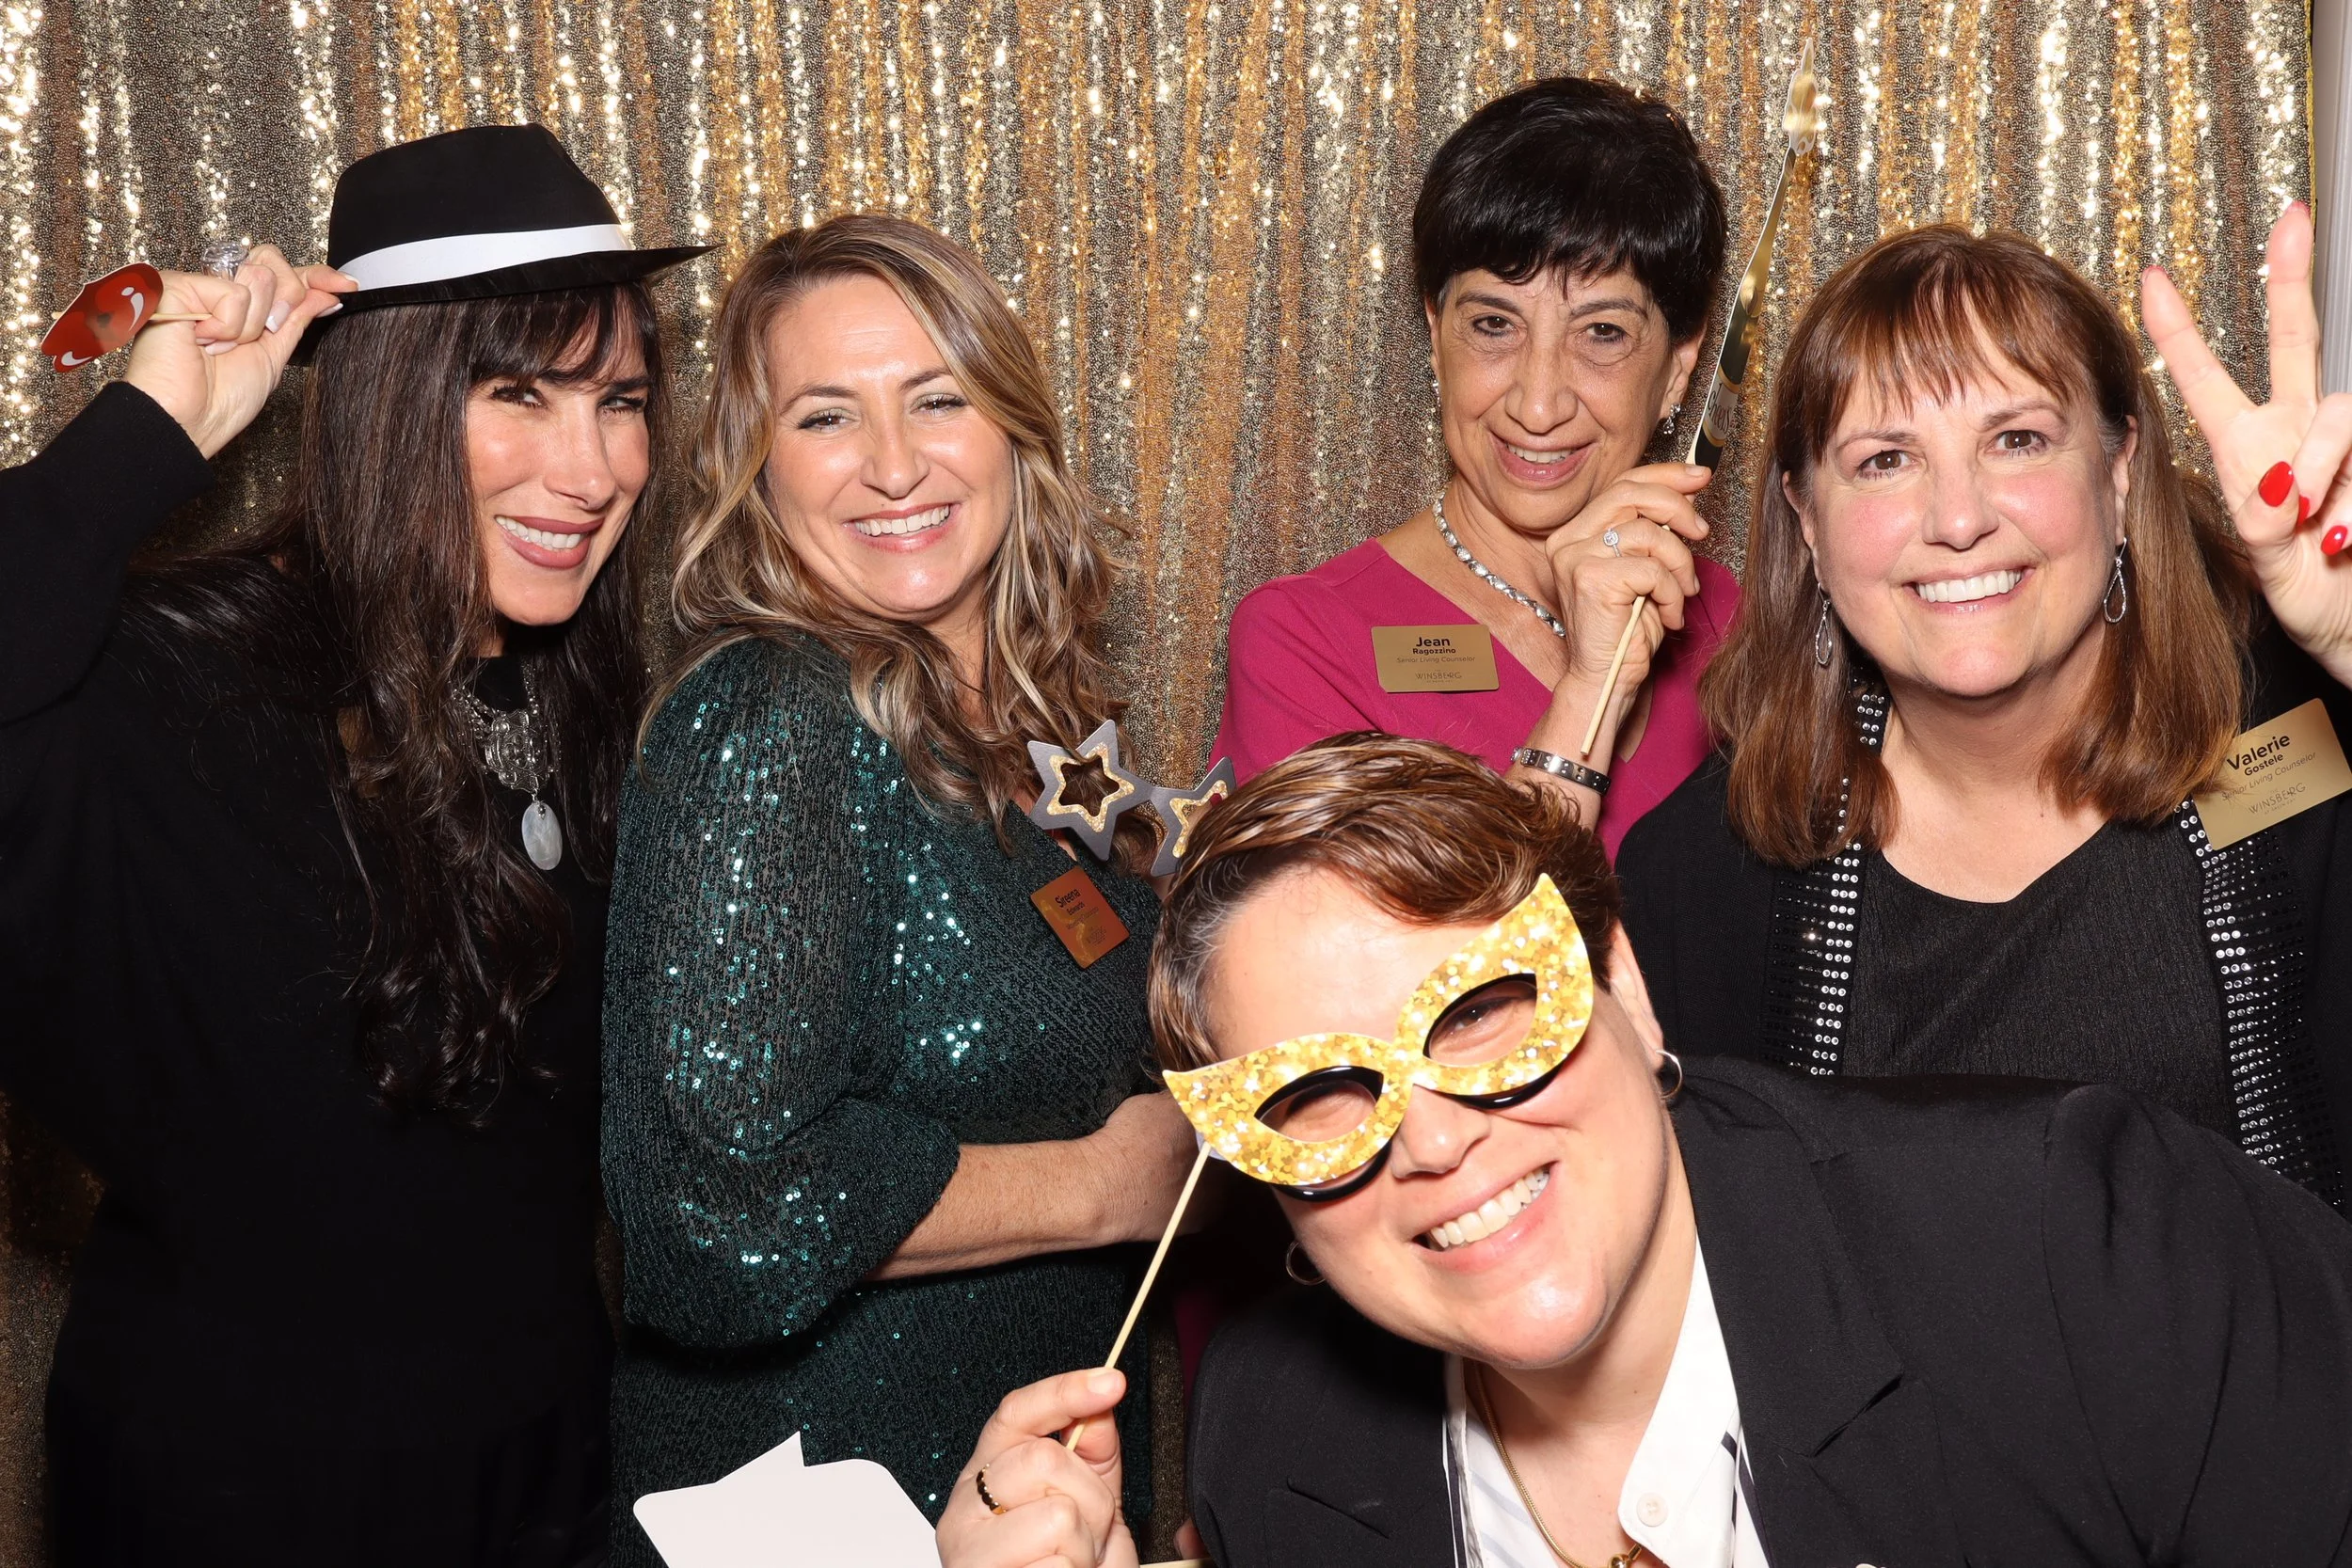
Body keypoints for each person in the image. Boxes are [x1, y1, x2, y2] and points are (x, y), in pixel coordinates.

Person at [937, 735, 2352, 1568]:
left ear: (1621, 982)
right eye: (1317, 1092)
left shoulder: (2071, 1239)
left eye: (1486, 1012)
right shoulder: (1270, 1438)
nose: (1433, 1139)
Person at [0, 123, 704, 1563]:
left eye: (619, 399)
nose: (590, 468)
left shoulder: (589, 686)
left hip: (544, 1477)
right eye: (519, 392)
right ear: (389, 399)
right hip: (238, 1498)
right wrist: (150, 437)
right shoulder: (178, 677)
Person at [601, 214, 1196, 1555]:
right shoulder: (772, 718)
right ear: (758, 469)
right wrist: (1109, 1183)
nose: (891, 464)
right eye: (825, 417)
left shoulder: (1030, 733)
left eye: (937, 397)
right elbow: (716, 1208)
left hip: (1035, 1487)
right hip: (829, 1497)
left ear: (1009, 425)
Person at [1616, 208, 2352, 1201]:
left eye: (2015, 439)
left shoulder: (2308, 766)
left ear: (2118, 465)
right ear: (1806, 517)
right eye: (1884, 459)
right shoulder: (1700, 873)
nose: (1958, 518)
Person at [1212, 76, 1740, 856]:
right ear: (1435, 335)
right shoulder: (1304, 646)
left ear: (1678, 368)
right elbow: (1410, 976)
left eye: (1601, 333)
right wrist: (1588, 693)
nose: (1537, 404)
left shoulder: (1732, 628)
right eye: (1494, 324)